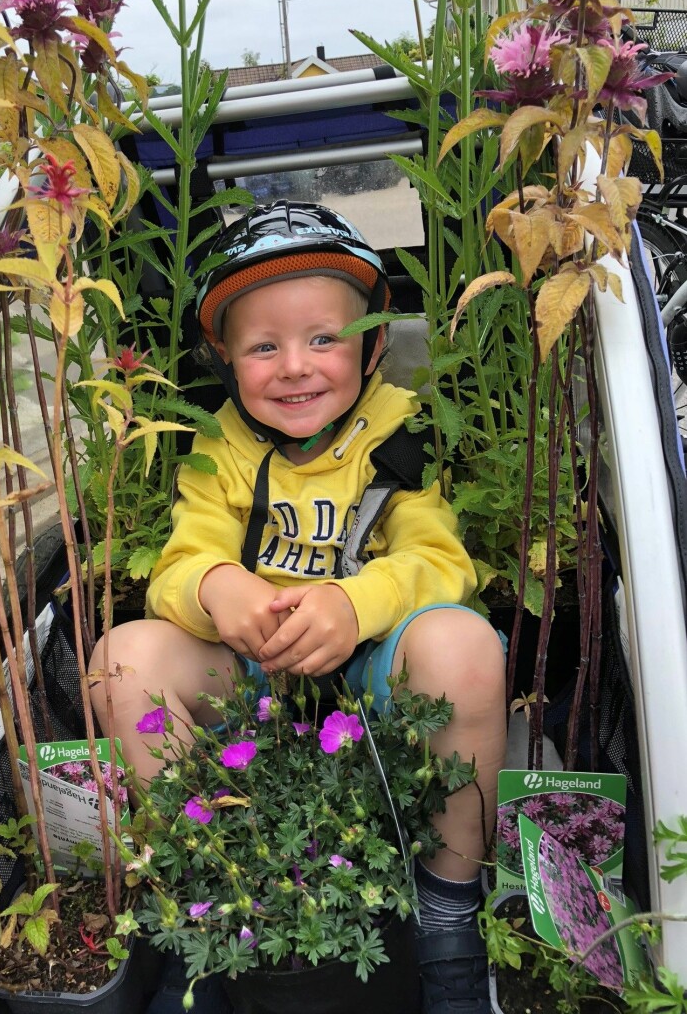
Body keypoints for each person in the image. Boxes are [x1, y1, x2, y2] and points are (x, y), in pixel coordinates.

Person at [89, 201, 506, 1014]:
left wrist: (360, 604)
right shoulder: (222, 444)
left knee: (466, 648)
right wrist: (218, 586)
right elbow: (178, 564)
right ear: (224, 358)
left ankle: (449, 905)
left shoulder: (397, 429)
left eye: (324, 339)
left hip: (371, 674)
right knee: (120, 660)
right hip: (254, 672)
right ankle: (206, 888)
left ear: (374, 344)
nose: (294, 367)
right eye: (262, 347)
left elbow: (438, 560)